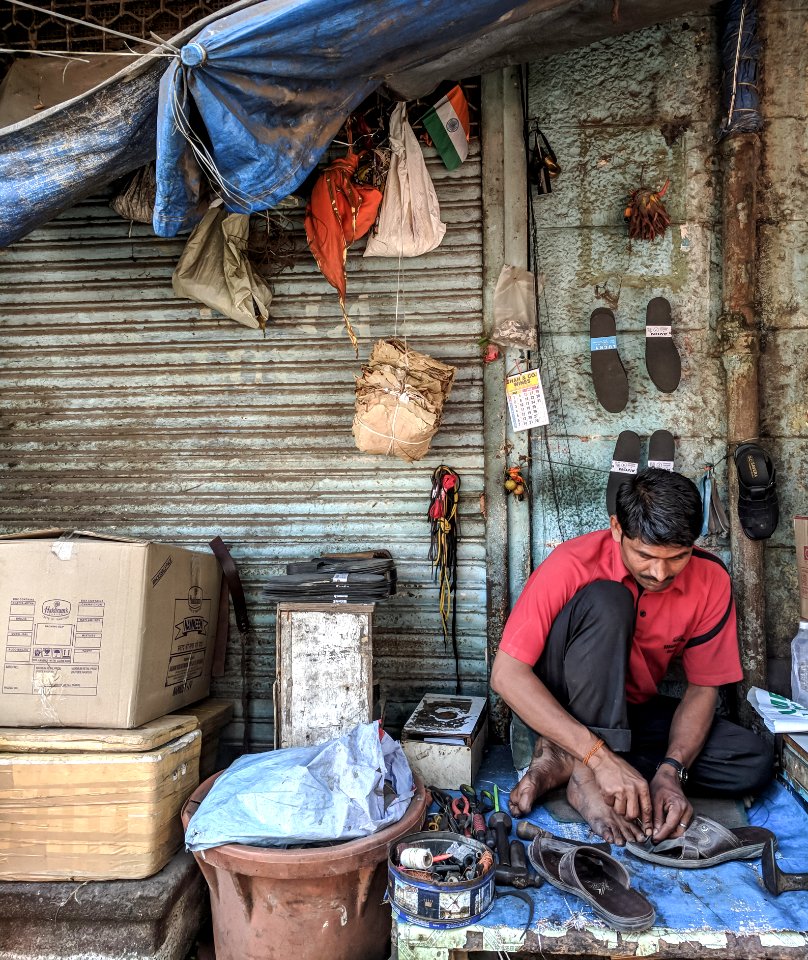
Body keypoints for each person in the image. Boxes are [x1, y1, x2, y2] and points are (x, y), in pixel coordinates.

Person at [490, 468, 773, 846]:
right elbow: (506, 676)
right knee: (608, 600)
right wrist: (599, 758)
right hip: (565, 704)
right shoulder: (572, 563)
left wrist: (672, 771)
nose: (660, 573)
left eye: (678, 557)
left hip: (630, 713)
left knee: (751, 760)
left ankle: (564, 759)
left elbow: (703, 688)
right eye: (644, 555)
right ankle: (586, 776)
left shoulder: (710, 579)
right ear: (617, 529)